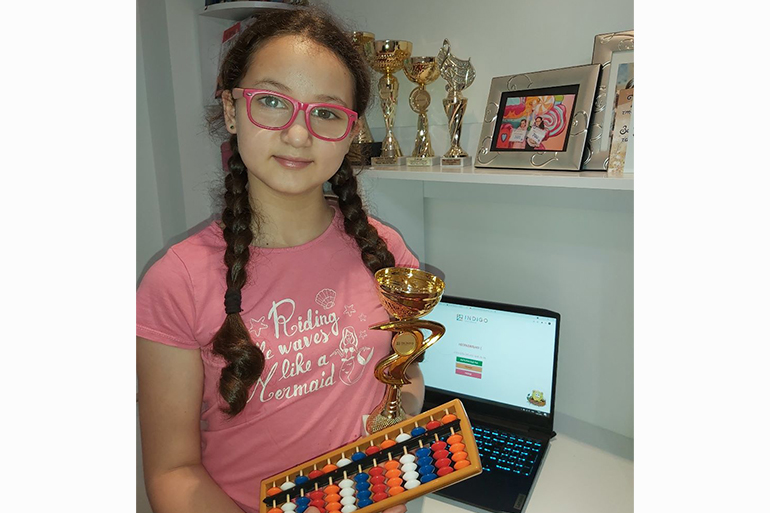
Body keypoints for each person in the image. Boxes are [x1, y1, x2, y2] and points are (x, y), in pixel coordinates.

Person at [136, 8, 420, 513]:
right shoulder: (175, 282)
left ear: (352, 131)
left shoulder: (387, 253)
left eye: (327, 112)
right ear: (230, 110)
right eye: (271, 102)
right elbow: (173, 472)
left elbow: (407, 376)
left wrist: (396, 422)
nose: (297, 134)